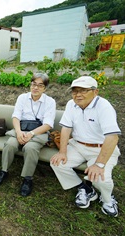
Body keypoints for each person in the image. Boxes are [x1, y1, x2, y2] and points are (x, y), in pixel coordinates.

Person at [50, 76, 121, 217]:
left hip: (101, 149)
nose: (78, 94)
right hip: (77, 145)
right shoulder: (71, 104)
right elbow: (66, 128)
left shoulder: (104, 106)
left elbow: (112, 137)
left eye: (83, 90)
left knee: (100, 178)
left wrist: (99, 164)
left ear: (95, 92)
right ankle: (85, 188)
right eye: (75, 91)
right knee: (57, 163)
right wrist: (62, 152)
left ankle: (108, 200)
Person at [0, 73, 56, 197]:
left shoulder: (50, 102)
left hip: (38, 131)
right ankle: (4, 171)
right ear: (30, 85)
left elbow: (48, 124)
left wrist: (31, 134)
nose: (35, 88)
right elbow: (16, 116)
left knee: (30, 148)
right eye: (33, 84)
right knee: (10, 144)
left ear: (45, 88)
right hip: (21, 129)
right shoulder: (22, 97)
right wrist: (19, 132)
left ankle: (28, 178)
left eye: (40, 85)